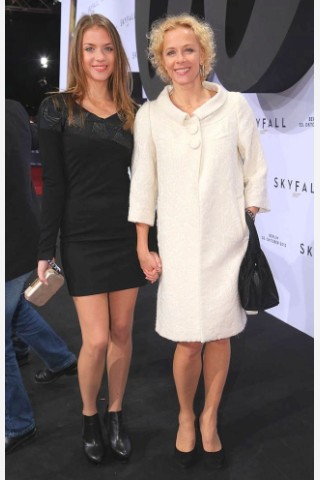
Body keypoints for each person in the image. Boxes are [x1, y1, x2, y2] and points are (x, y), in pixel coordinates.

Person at [128, 13, 269, 470]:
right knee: (187, 341)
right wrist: (142, 243)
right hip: (178, 246)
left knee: (221, 336)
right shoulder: (151, 115)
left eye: (189, 49)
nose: (180, 58)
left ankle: (210, 417)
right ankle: (186, 415)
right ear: (160, 61)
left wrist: (245, 215)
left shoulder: (234, 108)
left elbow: (256, 169)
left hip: (226, 243)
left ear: (204, 54)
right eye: (171, 52)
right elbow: (143, 184)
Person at [37, 14, 152, 464]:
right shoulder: (56, 108)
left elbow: (146, 185)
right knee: (97, 340)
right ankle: (90, 415)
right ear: (78, 54)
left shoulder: (133, 112)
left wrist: (150, 242)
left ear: (117, 55)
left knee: (123, 332)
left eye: (107, 48)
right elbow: (53, 182)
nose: (99, 56)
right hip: (81, 238)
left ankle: (116, 413)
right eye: (90, 48)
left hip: (124, 235)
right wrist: (46, 249)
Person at [5, 99, 77, 455]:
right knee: (17, 311)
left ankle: (17, 425)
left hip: (9, 243)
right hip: (25, 235)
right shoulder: (14, 109)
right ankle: (61, 359)